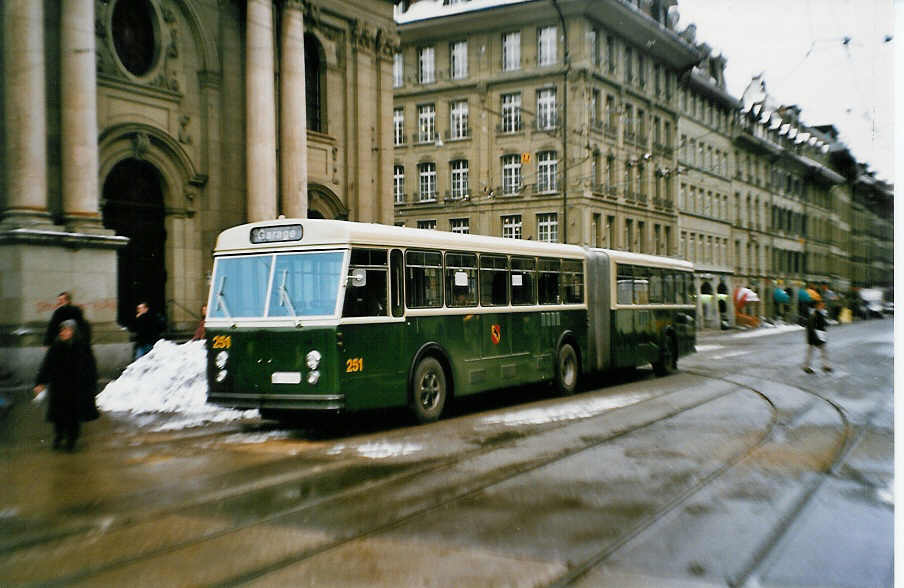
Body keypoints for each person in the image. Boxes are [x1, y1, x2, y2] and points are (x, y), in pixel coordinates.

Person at [33, 320, 99, 451]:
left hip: (76, 387)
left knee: (73, 416)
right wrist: (40, 382)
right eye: (62, 330)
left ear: (74, 332)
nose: (64, 333)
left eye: (67, 330)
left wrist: (91, 385)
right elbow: (46, 366)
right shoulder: (56, 346)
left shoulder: (83, 347)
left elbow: (91, 368)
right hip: (59, 387)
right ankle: (58, 436)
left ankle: (71, 440)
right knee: (59, 415)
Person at [802, 300, 832, 374]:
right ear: (817, 306)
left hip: (817, 335)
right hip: (815, 335)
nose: (823, 306)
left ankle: (824, 365)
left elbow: (821, 323)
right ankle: (824, 366)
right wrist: (816, 337)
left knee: (819, 351)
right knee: (815, 351)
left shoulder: (818, 313)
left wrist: (826, 323)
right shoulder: (815, 314)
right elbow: (812, 326)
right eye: (821, 305)